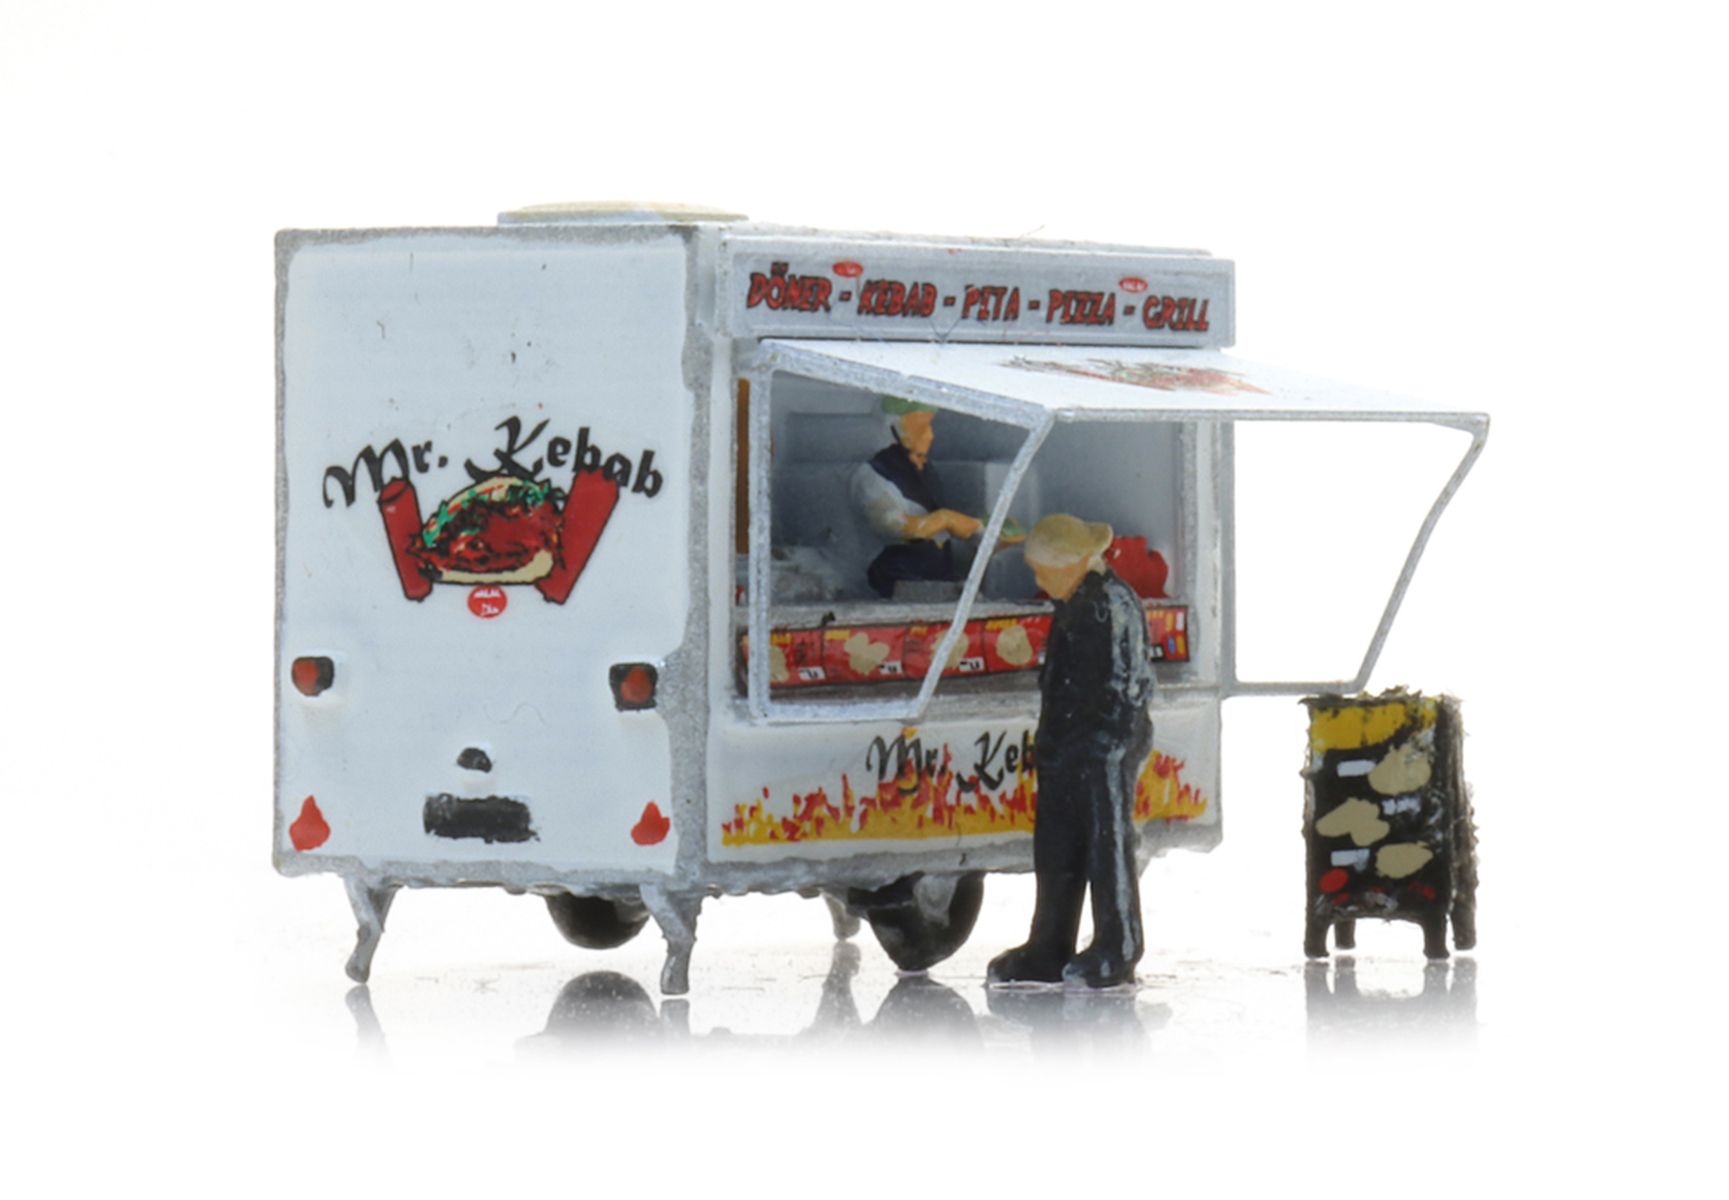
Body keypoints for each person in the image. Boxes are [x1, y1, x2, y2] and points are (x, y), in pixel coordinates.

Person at [987, 514, 1156, 989]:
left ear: (1073, 563)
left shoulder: (1112, 604)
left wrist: (1102, 748)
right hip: (1064, 748)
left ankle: (1118, 947)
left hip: (1101, 750)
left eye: (1044, 571)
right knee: (1056, 849)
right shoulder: (1075, 601)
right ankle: (1049, 946)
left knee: (1107, 847)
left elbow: (1124, 689)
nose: (1039, 582)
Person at [849, 396, 985, 598]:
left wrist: (980, 532)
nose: (930, 435)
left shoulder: (925, 471)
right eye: (921, 426)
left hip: (937, 577)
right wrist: (945, 519)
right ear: (892, 428)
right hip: (893, 579)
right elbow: (891, 525)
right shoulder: (873, 475)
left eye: (930, 425)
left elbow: (944, 536)